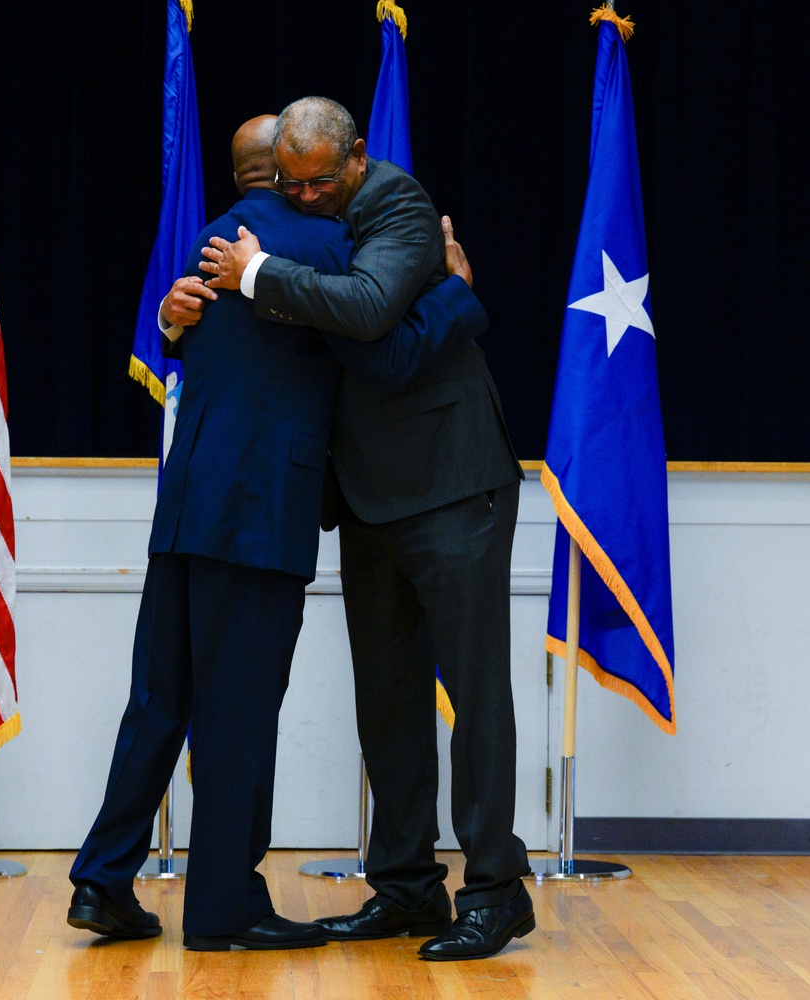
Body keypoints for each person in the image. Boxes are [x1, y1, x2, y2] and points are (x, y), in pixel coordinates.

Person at [67, 115, 483, 952]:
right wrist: (454, 294)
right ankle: (223, 907)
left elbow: (198, 344)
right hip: (258, 514)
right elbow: (388, 354)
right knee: (239, 712)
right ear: (295, 173)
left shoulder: (212, 243)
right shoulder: (326, 251)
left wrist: (170, 322)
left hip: (184, 506)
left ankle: (104, 882)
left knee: (158, 701)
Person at [200, 97, 535, 961]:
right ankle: (407, 888)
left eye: (320, 181)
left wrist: (267, 281)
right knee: (385, 701)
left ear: (355, 159)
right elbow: (364, 334)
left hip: (455, 481)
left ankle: (497, 891)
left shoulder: (399, 203)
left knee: (474, 694)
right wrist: (452, 298)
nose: (307, 196)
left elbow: (374, 319)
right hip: (366, 494)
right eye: (291, 181)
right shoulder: (295, 220)